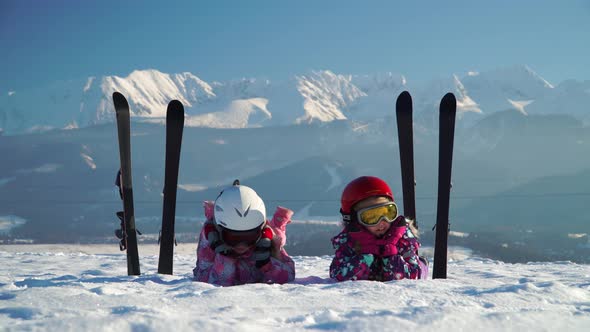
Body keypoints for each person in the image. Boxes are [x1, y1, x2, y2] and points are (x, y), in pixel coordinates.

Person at [193, 182, 295, 286]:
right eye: (233, 238)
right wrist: (225, 258)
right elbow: (205, 278)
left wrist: (267, 264)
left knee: (278, 236)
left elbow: (289, 275)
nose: (242, 245)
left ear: (259, 231)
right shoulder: (211, 237)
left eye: (249, 237)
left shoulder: (267, 238)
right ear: (219, 231)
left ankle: (278, 223)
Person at [330, 176, 428, 281]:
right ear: (353, 220)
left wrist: (391, 254)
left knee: (419, 267)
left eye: (387, 213)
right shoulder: (349, 242)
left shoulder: (401, 237)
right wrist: (365, 254)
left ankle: (423, 263)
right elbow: (339, 276)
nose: (382, 222)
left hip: (405, 270)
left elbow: (412, 277)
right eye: (371, 217)